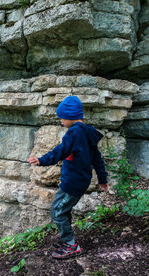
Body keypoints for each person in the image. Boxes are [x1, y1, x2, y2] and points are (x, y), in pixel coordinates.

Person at [28, 95, 109, 260]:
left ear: (71, 117)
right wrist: (102, 179)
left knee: (57, 211)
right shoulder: (86, 132)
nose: (61, 121)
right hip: (80, 180)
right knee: (63, 210)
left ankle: (71, 245)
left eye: (62, 118)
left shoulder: (74, 133)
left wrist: (41, 160)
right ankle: (66, 236)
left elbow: (61, 150)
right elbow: (97, 159)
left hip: (72, 182)